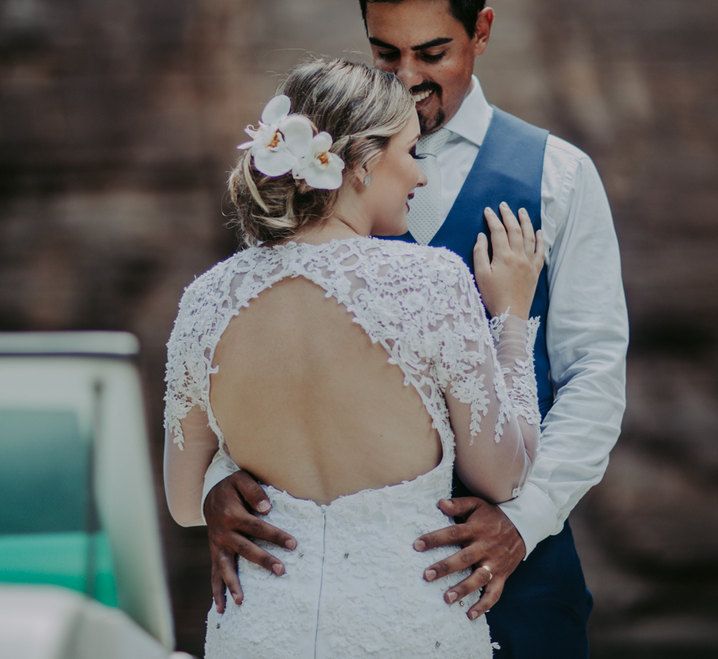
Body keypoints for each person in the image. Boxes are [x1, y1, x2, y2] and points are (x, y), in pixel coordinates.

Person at [201, 0, 629, 657]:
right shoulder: (312, 170)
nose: (408, 79)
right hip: (340, 598)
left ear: (482, 32)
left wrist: (521, 524)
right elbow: (258, 336)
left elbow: (595, 372)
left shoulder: (560, 176)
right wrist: (217, 478)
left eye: (434, 53)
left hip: (521, 580)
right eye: (385, 52)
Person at [164, 57, 550, 657]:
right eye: (411, 152)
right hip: (406, 628)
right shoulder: (429, 283)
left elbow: (187, 504)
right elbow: (503, 475)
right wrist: (511, 321)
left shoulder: (206, 300)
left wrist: (223, 478)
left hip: (259, 631)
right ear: (364, 162)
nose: (419, 177)